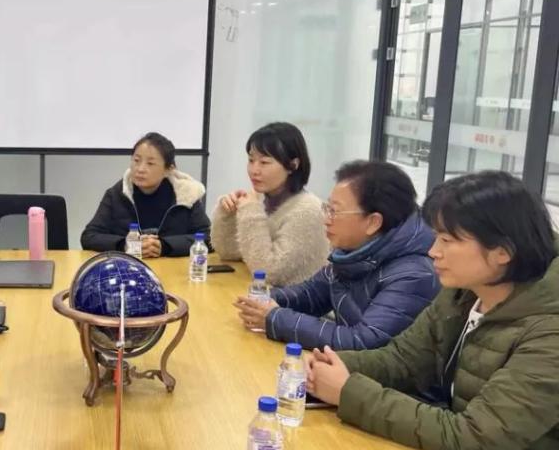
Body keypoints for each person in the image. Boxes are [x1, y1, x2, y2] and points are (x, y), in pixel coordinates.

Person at [306, 172, 559, 450]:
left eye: (448, 240)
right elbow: (403, 360)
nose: (433, 251)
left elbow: (474, 439)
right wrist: (332, 364)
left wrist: (350, 391)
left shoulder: (549, 334)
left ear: (502, 252)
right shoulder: (466, 293)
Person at [235, 160, 438, 349]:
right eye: (327, 208)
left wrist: (275, 318)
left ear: (373, 222)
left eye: (335, 211)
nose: (326, 220)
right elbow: (311, 294)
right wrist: (261, 300)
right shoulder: (356, 251)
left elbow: (363, 341)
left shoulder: (413, 275)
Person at [211, 122, 327, 286]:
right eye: (251, 160)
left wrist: (251, 212)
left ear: (293, 165)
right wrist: (227, 214)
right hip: (260, 295)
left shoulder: (308, 210)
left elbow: (268, 273)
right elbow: (229, 252)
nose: (254, 170)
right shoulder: (261, 200)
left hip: (291, 301)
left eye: (264, 162)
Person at [80, 132, 211, 256]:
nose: (140, 169)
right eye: (136, 160)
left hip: (172, 268)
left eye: (150, 163)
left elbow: (209, 238)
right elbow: (89, 236)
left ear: (168, 169)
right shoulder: (117, 194)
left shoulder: (186, 195)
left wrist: (165, 246)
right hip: (129, 266)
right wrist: (125, 245)